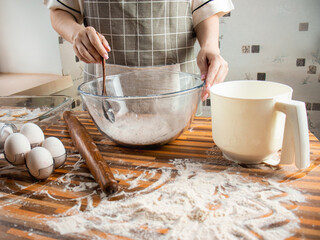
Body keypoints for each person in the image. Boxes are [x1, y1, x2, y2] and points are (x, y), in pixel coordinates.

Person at [45, 0, 234, 101]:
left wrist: (210, 46)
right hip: (105, 100)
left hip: (177, 96)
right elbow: (60, 11)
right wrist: (76, 33)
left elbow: (205, 9)